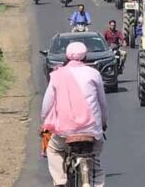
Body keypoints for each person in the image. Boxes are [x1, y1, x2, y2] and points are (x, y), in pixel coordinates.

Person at [41, 42, 107, 187]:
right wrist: (102, 123)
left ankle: (60, 181)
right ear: (85, 57)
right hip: (92, 130)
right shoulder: (94, 74)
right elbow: (102, 103)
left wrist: (44, 121)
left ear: (66, 57)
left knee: (53, 150)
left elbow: (47, 104)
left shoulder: (57, 75)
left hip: (64, 132)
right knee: (95, 159)